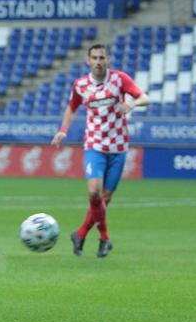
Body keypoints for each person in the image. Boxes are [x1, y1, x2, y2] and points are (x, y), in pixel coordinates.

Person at [52, 44, 149, 258]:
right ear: (88, 61)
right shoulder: (81, 85)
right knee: (94, 192)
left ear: (108, 60)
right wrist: (63, 130)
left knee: (104, 200)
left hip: (118, 147)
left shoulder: (119, 79)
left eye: (101, 57)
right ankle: (105, 238)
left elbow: (145, 97)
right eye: (94, 58)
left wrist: (131, 104)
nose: (98, 61)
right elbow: (72, 106)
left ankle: (81, 233)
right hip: (94, 146)